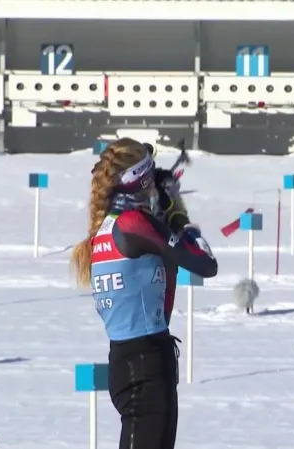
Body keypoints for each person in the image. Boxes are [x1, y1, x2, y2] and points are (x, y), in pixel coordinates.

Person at [70, 138, 218, 449]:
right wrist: (177, 212)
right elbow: (204, 263)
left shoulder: (107, 228)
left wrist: (164, 210)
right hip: (146, 364)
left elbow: (162, 289)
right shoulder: (135, 224)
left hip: (132, 359)